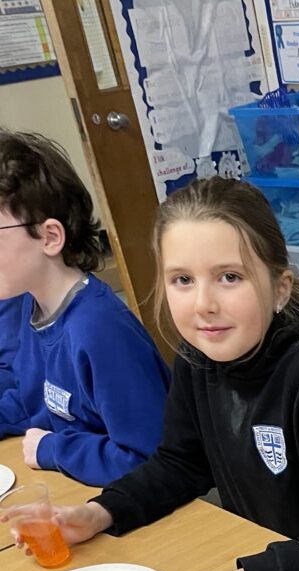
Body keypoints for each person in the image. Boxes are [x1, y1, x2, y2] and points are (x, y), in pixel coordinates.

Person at [8, 177, 299, 571]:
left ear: (281, 288)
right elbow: (181, 463)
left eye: (229, 277)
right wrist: (101, 512)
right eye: (183, 280)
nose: (204, 304)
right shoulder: (199, 356)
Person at [0, 131, 169, 485]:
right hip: (83, 489)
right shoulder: (33, 308)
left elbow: (148, 459)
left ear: (50, 237)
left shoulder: (99, 330)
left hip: (150, 503)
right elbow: (32, 403)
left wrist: (52, 449)